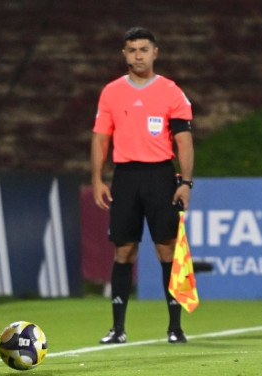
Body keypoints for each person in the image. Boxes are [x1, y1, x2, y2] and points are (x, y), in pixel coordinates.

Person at [90, 27, 194, 344]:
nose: (138, 55)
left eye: (144, 49)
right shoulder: (111, 92)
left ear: (155, 52)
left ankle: (175, 328)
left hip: (160, 175)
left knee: (166, 248)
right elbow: (100, 138)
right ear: (124, 54)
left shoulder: (171, 92)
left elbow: (184, 141)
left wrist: (186, 181)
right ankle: (117, 329)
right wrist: (97, 178)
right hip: (125, 176)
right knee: (124, 249)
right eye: (132, 49)